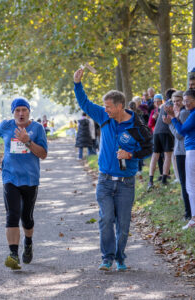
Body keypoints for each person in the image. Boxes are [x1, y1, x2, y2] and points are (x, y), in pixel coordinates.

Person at [73, 68, 152, 271]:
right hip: (105, 180)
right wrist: (77, 84)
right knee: (106, 219)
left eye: (109, 106)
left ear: (119, 106)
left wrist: (131, 155)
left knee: (123, 225)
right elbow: (85, 103)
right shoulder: (103, 116)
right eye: (105, 106)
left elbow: (149, 148)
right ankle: (107, 258)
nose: (105, 109)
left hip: (126, 182)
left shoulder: (136, 124)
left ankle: (120, 257)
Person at [0, 98, 47, 270]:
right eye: (17, 110)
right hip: (10, 177)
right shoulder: (6, 126)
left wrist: (27, 141)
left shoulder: (37, 129)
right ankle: (13, 254)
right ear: (13, 112)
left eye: (24, 110)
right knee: (12, 214)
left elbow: (43, 154)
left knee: (26, 218)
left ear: (29, 111)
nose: (21, 113)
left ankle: (28, 242)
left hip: (30, 179)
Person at [165, 89, 195, 229]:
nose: (184, 103)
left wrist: (172, 120)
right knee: (188, 185)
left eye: (186, 101)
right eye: (184, 101)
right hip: (186, 151)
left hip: (189, 151)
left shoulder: (188, 113)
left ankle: (191, 216)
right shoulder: (187, 113)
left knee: (189, 185)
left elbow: (180, 133)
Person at [147, 93, 174, 189]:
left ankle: (150, 181)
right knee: (167, 155)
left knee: (155, 156)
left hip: (156, 132)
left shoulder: (162, 105)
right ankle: (164, 180)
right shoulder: (172, 104)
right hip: (166, 132)